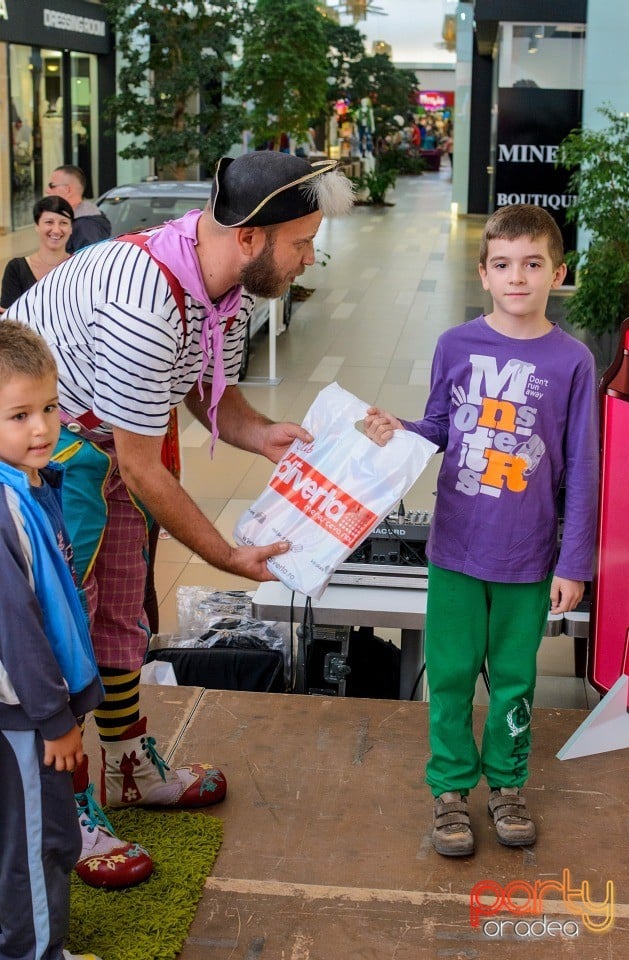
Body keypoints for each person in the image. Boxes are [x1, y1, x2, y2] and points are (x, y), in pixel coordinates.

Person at [5, 151, 354, 886]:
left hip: (106, 440)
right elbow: (140, 466)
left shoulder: (225, 288)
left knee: (125, 604)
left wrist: (262, 434)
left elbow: (205, 391)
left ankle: (127, 766)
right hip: (44, 448)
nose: (309, 257)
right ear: (252, 238)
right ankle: (69, 808)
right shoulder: (147, 299)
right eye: (301, 242)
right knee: (65, 620)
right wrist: (227, 555)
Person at [364, 205, 599, 857]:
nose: (517, 278)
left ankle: (507, 786)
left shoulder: (573, 362)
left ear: (559, 272)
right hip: (457, 551)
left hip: (529, 559)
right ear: (483, 273)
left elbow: (582, 469)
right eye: (503, 265)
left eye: (532, 264)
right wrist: (400, 430)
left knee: (516, 680)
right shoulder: (456, 347)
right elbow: (441, 426)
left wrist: (573, 563)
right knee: (450, 674)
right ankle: (448, 790)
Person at [0, 321, 104, 960]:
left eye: (49, 407)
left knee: (32, 833)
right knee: (41, 842)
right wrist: (53, 718)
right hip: (25, 714)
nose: (42, 428)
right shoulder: (6, 506)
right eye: (19, 415)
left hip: (29, 711)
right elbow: (19, 630)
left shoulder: (30, 484)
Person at [1, 196, 74, 313]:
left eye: (63, 223)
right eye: (49, 222)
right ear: (37, 226)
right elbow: (9, 323)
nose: (56, 230)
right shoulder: (17, 269)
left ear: (71, 228)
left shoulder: (81, 267)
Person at [46, 165, 111, 252]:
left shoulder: (86, 226)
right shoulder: (76, 221)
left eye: (51, 185)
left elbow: (90, 263)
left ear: (67, 190)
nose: (47, 190)